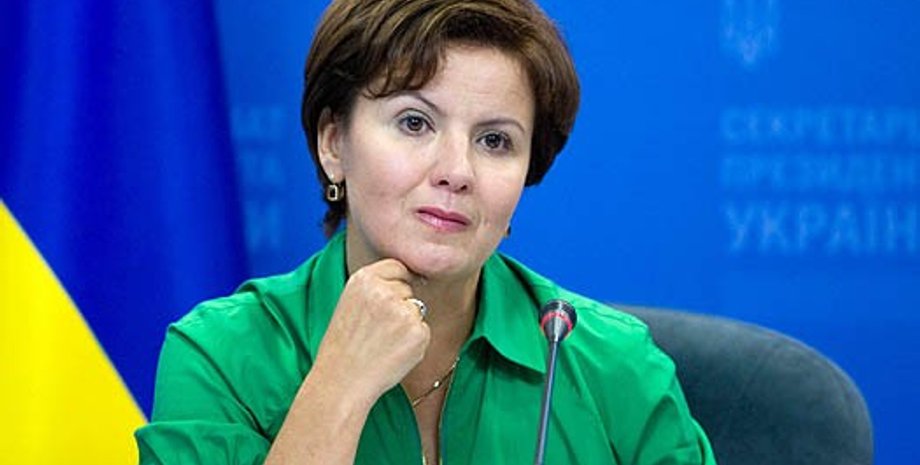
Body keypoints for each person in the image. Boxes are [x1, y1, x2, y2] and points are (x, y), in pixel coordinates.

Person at [135, 0, 717, 464]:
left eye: (495, 141)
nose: (457, 171)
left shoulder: (616, 367)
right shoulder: (221, 356)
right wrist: (340, 385)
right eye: (414, 123)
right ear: (334, 143)